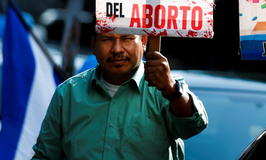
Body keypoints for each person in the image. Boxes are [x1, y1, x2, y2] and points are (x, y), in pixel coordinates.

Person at [32, 33, 208, 159]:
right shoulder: (68, 93)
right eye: (107, 39)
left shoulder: (166, 88)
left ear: (144, 41)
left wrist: (172, 90)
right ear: (93, 45)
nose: (117, 49)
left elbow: (193, 126)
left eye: (127, 38)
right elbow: (46, 155)